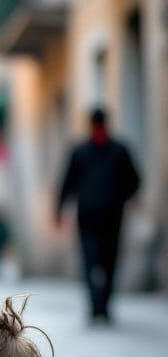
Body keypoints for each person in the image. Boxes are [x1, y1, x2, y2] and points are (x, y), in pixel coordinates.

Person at [57, 107, 141, 322]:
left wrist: (120, 197)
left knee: (109, 261)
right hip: (88, 217)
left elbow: (134, 181)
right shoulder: (81, 152)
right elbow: (67, 182)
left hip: (112, 216)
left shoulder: (119, 150)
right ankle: (96, 305)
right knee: (91, 260)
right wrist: (59, 208)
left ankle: (104, 305)